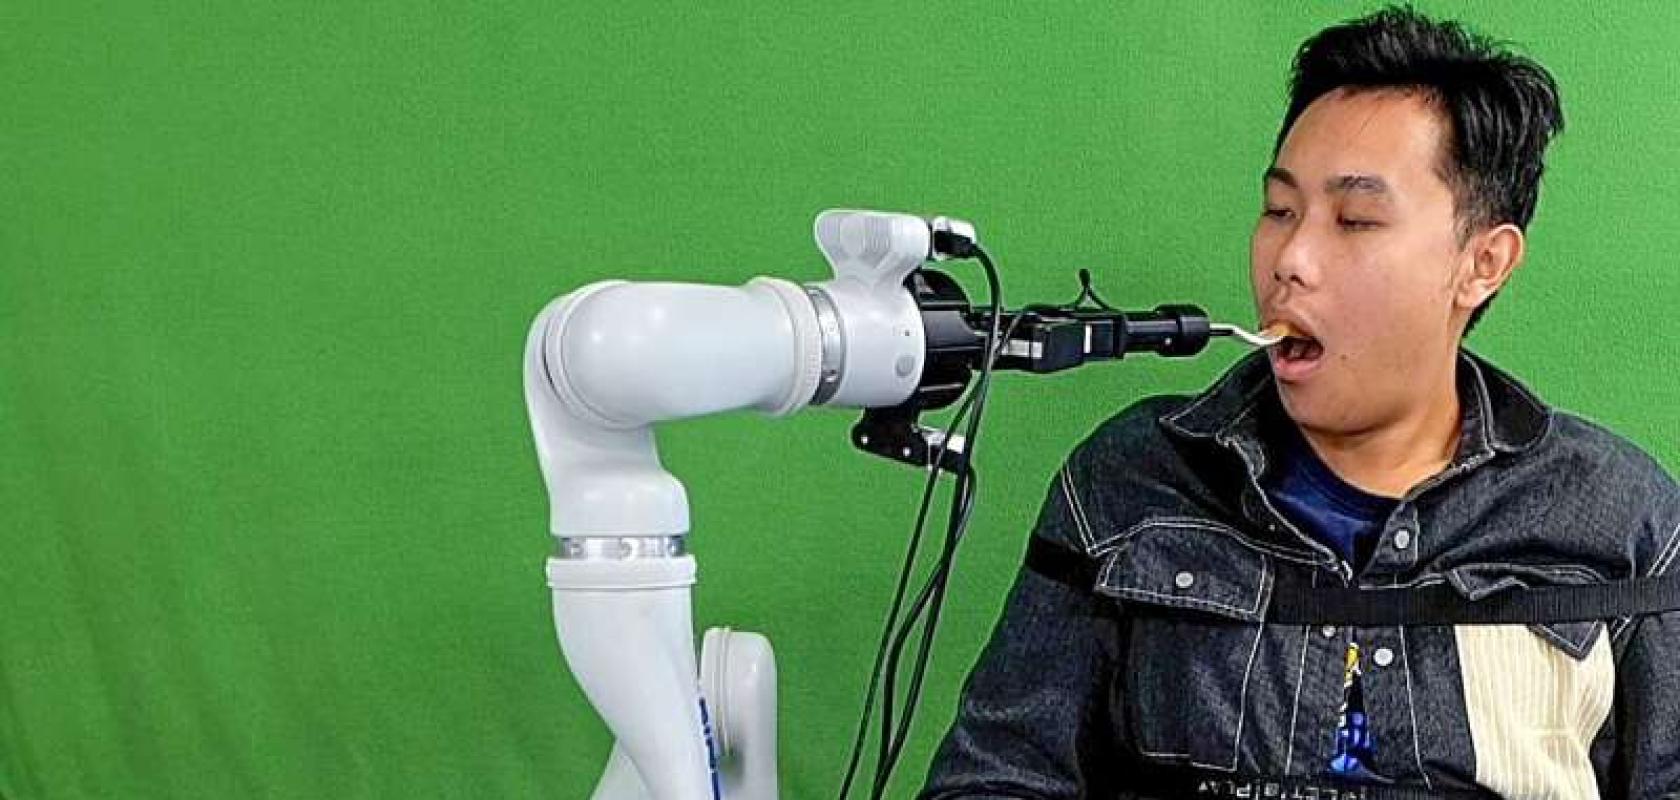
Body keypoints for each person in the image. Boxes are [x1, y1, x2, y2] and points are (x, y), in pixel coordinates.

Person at [920, 6, 1680, 798]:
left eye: (1355, 220)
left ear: (1482, 263)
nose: (1292, 258)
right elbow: (995, 777)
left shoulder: (1627, 521)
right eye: (1280, 211)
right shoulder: (1127, 481)